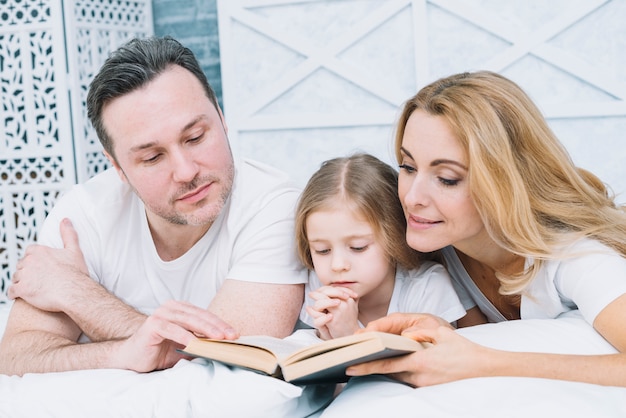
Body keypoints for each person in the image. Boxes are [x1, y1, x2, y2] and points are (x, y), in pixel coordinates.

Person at [0, 36, 308, 376]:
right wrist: (124, 353)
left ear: (221, 118)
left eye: (195, 137)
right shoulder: (82, 216)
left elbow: (233, 357)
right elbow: (16, 357)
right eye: (152, 157)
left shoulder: (276, 207)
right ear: (117, 168)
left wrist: (79, 295)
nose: (187, 171)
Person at [342, 71, 626, 387]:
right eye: (407, 167)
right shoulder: (444, 245)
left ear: (505, 181)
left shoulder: (579, 258)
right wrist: (443, 328)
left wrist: (483, 362)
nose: (411, 197)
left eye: (447, 178)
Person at [295, 153, 465, 340]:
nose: (337, 265)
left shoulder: (426, 288)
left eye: (358, 247)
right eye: (322, 250)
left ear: (393, 237)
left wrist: (350, 335)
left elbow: (434, 362)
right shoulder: (317, 286)